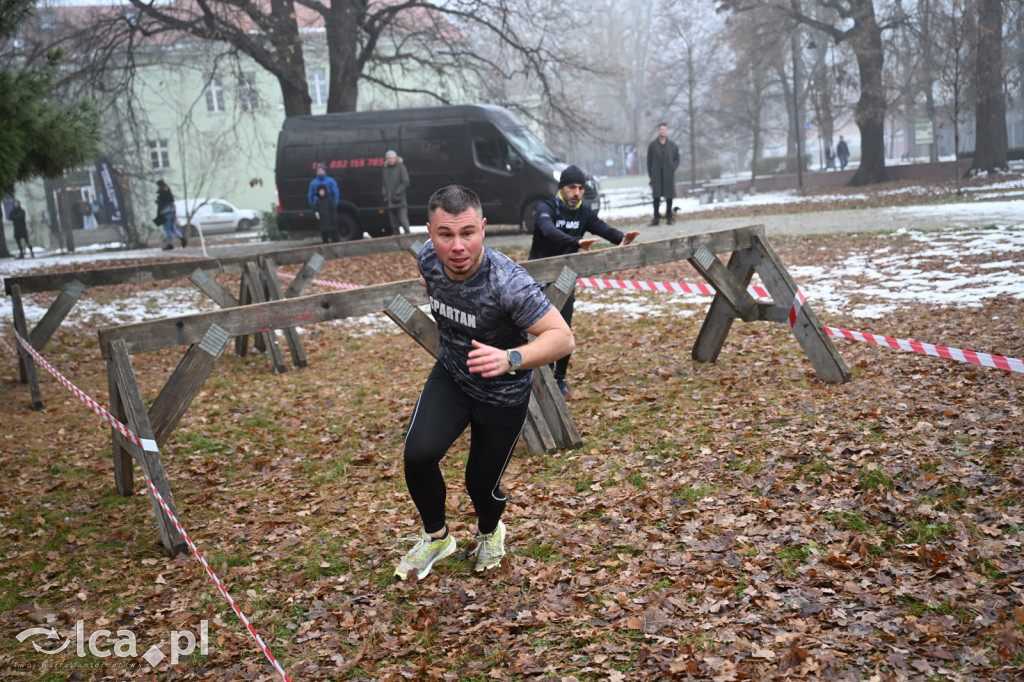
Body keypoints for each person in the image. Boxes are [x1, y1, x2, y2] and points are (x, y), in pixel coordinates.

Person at [395, 185, 575, 581]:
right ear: (430, 234)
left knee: (480, 484)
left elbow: (562, 338)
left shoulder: (509, 283)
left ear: (484, 229)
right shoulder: (428, 259)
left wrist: (510, 358)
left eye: (468, 233)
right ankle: (438, 538)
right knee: (418, 455)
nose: (457, 246)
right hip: (454, 378)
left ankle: (490, 531)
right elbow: (432, 284)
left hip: (502, 396)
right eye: (445, 235)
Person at [528, 165, 639, 396]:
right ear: (562, 188)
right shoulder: (546, 207)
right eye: (571, 187)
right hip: (538, 274)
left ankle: (559, 378)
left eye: (580, 188)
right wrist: (575, 241)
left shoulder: (584, 211)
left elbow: (602, 228)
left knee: (563, 327)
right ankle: (538, 374)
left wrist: (622, 238)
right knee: (538, 328)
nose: (576, 192)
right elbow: (548, 231)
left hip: (566, 276)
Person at [647, 122, 680, 226]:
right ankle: (656, 218)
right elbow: (649, 161)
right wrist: (651, 174)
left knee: (669, 197)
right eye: (661, 129)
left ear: (667, 131)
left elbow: (677, 159)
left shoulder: (672, 145)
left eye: (664, 129)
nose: (663, 131)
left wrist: (672, 168)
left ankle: (669, 218)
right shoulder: (652, 145)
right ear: (658, 131)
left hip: (668, 175)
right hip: (656, 175)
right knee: (656, 198)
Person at [382, 150, 411, 235]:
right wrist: (385, 195)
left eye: (393, 158)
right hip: (390, 202)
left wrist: (397, 193)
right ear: (387, 159)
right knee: (394, 224)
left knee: (404, 222)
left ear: (396, 158)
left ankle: (409, 240)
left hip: (400, 201)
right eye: (389, 158)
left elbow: (405, 182)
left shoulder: (401, 167)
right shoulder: (385, 169)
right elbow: (383, 184)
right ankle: (397, 243)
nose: (391, 160)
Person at [155, 180, 185, 250]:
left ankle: (170, 244)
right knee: (172, 228)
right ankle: (182, 237)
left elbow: (160, 203)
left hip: (165, 213)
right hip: (172, 211)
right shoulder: (168, 190)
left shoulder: (159, 191)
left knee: (167, 229)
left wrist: (158, 214)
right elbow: (172, 200)